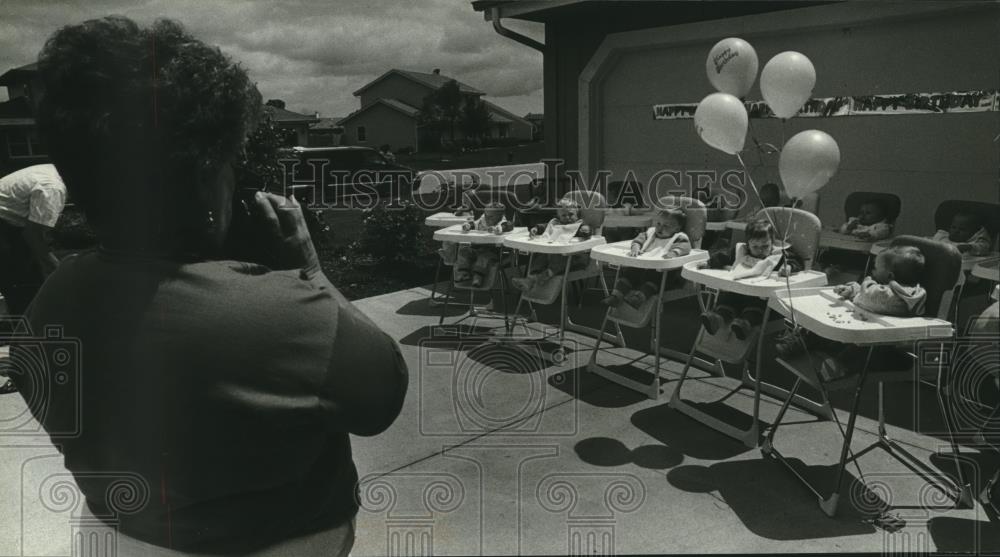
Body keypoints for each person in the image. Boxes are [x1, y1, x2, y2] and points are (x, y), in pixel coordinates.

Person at [10, 16, 407, 555]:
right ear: (204, 175)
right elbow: (382, 397)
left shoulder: (51, 299)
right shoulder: (285, 314)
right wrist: (309, 270)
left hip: (119, 536)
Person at [776, 246, 929, 380]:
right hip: (867, 331)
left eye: (875, 268)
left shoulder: (899, 296)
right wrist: (852, 291)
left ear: (890, 276)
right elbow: (865, 297)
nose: (872, 272)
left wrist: (862, 285)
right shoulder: (892, 290)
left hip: (880, 344)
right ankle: (797, 343)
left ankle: (838, 366)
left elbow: (868, 296)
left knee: (857, 351)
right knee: (824, 331)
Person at [700, 218, 804, 340]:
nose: (760, 250)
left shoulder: (778, 255)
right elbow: (723, 256)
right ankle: (717, 318)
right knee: (726, 300)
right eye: (755, 246)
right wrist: (709, 263)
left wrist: (789, 267)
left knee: (755, 309)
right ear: (748, 244)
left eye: (765, 246)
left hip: (759, 298)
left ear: (773, 243)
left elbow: (796, 260)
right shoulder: (740, 251)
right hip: (736, 291)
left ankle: (745, 325)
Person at [0, 163, 67, 315]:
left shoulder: (50, 169)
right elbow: (33, 235)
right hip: (4, 225)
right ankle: (29, 327)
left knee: (27, 274)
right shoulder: (53, 188)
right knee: (21, 282)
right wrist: (54, 265)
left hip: (9, 224)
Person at [602, 207, 691, 308]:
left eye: (666, 226)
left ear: (677, 229)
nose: (660, 228)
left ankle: (638, 298)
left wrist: (674, 253)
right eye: (658, 224)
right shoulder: (650, 233)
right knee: (628, 273)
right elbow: (637, 240)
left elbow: (685, 247)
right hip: (641, 267)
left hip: (662, 273)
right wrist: (635, 248)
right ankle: (616, 296)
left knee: (654, 279)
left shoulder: (679, 237)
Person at [511, 198, 592, 292]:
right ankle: (531, 277)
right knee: (540, 255)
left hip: (574, 258)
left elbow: (587, 232)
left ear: (577, 214)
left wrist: (586, 231)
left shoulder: (578, 226)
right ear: (558, 216)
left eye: (571, 214)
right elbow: (545, 227)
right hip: (552, 255)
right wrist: (536, 229)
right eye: (564, 215)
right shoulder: (555, 224)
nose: (568, 218)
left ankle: (535, 279)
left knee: (559, 257)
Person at [454, 202, 513, 287]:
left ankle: (478, 277)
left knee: (483, 258)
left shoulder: (502, 223)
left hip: (492, 251)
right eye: (486, 215)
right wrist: (468, 226)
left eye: (491, 217)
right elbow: (474, 224)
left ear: (500, 216)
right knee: (463, 251)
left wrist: (500, 229)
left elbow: (509, 225)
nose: (487, 218)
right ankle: (463, 272)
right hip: (475, 248)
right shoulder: (482, 220)